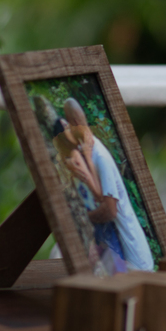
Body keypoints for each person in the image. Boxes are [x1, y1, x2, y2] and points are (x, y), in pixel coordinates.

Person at [62, 98, 155, 272]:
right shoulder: (90, 151)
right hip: (122, 250)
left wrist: (83, 217)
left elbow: (110, 210)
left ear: (75, 123)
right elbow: (100, 196)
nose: (67, 126)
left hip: (135, 256)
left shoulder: (101, 157)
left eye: (68, 122)